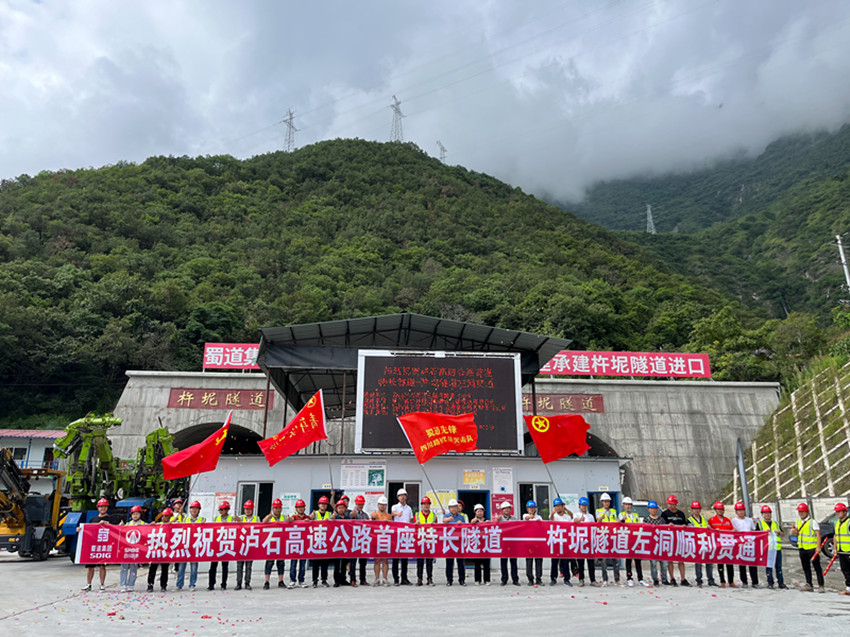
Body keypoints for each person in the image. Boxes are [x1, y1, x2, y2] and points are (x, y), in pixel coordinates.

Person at [79, 498, 118, 592]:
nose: (102, 508)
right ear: (98, 508)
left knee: (102, 566)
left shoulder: (111, 519)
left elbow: (116, 529)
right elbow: (88, 531)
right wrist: (80, 530)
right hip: (93, 546)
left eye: (104, 506)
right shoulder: (93, 519)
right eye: (101, 507)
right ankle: (88, 584)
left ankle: (102, 584)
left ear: (107, 507)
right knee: (90, 567)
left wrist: (107, 524)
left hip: (104, 546)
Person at [792, 502, 825, 593]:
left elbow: (818, 535)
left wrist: (818, 547)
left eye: (803, 511)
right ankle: (809, 584)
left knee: (817, 567)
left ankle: (821, 585)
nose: (801, 513)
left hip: (812, 548)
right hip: (802, 548)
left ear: (807, 512)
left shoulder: (812, 522)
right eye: (799, 512)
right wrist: (794, 532)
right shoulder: (798, 522)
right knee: (806, 567)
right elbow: (797, 533)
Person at [660, 495, 690, 586]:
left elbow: (686, 524)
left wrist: (684, 526)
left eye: (672, 504)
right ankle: (672, 578)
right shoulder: (664, 514)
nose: (670, 506)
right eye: (669, 504)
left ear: (676, 504)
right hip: (669, 539)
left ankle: (683, 578)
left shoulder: (681, 514)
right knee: (670, 559)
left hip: (680, 539)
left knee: (681, 559)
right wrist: (668, 525)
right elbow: (661, 526)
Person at [176, 500, 204, 591]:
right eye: (192, 508)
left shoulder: (202, 520)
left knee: (194, 567)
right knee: (181, 567)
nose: (194, 510)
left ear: (199, 510)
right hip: (185, 546)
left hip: (195, 547)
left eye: (196, 508)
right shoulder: (185, 519)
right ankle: (179, 585)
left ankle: (192, 584)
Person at [687, 501, 717, 587]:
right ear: (692, 510)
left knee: (709, 562)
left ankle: (710, 579)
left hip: (705, 542)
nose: (696, 510)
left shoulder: (704, 518)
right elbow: (691, 531)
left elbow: (708, 528)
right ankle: (699, 580)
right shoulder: (689, 520)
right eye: (695, 509)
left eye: (698, 508)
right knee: (698, 563)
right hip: (697, 543)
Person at [730, 501, 759, 588]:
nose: (741, 512)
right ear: (736, 512)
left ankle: (755, 582)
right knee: (742, 565)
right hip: (740, 545)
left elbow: (754, 530)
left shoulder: (749, 520)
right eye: (739, 510)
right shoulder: (733, 521)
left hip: (750, 544)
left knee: (752, 564)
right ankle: (744, 582)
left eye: (742, 510)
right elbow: (730, 531)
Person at [619, 497, 647, 587]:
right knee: (628, 560)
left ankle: (640, 579)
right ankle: (629, 578)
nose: (627, 506)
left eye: (629, 504)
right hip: (627, 540)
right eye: (626, 504)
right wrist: (622, 520)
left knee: (638, 560)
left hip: (636, 539)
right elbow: (618, 525)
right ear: (624, 505)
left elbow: (639, 525)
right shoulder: (621, 515)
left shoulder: (635, 515)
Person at [708, 502, 736, 589]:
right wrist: (713, 529)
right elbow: (708, 530)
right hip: (718, 545)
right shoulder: (712, 520)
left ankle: (731, 581)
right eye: (718, 509)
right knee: (720, 564)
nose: (720, 511)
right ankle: (722, 581)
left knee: (730, 564)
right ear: (715, 510)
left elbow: (732, 529)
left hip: (728, 545)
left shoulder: (727, 520)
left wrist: (733, 530)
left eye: (721, 509)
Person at [756, 504, 786, 590]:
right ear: (762, 514)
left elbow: (783, 534)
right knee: (769, 567)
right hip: (767, 549)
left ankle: (781, 583)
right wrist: (764, 532)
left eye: (768, 513)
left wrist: (779, 532)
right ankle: (770, 582)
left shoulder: (776, 523)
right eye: (765, 513)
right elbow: (756, 535)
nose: (767, 515)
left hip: (777, 548)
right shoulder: (759, 524)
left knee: (779, 567)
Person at [208, 501, 235, 590]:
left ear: (227, 510)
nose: (220, 511)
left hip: (226, 545)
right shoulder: (216, 518)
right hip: (216, 545)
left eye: (222, 509)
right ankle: (211, 584)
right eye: (219, 509)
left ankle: (223, 584)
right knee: (213, 566)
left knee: (225, 566)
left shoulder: (231, 519)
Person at [261, 498, 286, 590]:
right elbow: (263, 522)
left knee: (281, 563)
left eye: (279, 508)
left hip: (281, 543)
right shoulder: (269, 517)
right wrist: (269, 517)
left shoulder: (284, 517)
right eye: (275, 508)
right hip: (271, 543)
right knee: (269, 563)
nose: (277, 510)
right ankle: (267, 581)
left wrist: (290, 520)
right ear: (273, 508)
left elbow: (291, 522)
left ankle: (281, 581)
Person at [573, 497, 598, 587]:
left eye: (585, 505)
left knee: (591, 563)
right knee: (580, 563)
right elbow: (575, 521)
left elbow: (594, 527)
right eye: (582, 505)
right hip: (580, 542)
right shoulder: (576, 514)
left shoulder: (591, 516)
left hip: (589, 542)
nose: (584, 507)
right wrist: (581, 520)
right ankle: (581, 579)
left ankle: (593, 580)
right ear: (579, 506)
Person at [595, 493, 620, 586]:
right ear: (602, 502)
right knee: (604, 560)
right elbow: (597, 521)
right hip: (604, 537)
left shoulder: (613, 511)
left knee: (616, 559)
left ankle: (617, 579)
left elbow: (616, 521)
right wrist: (601, 518)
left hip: (613, 537)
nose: (607, 503)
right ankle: (605, 579)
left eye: (608, 501)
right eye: (605, 501)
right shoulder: (599, 511)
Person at [147, 507, 173, 592]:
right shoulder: (158, 525)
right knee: (152, 569)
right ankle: (150, 585)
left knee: (165, 569)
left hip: (166, 550)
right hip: (156, 550)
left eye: (167, 516)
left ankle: (163, 585)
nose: (164, 517)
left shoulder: (173, 526)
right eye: (164, 516)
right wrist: (151, 525)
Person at [391, 488, 414, 586]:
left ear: (406, 497)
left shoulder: (409, 508)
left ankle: (404, 578)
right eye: (400, 496)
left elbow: (411, 520)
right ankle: (396, 579)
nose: (402, 497)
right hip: (397, 535)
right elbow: (393, 513)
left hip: (406, 535)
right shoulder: (395, 507)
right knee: (395, 558)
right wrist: (398, 514)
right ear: (398, 497)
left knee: (405, 559)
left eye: (404, 495)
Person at [235, 500, 259, 591]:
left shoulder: (256, 518)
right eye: (246, 509)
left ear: (252, 510)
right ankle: (238, 583)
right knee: (239, 566)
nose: (248, 511)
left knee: (248, 566)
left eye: (249, 509)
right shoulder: (240, 518)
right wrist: (237, 520)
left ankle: (247, 583)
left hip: (250, 545)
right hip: (240, 545)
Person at [120, 505, 145, 592]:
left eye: (137, 514)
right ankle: (123, 585)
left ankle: (131, 584)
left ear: (140, 514)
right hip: (127, 549)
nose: (135, 516)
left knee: (133, 567)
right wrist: (121, 526)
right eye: (133, 514)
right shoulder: (127, 524)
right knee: (124, 567)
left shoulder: (144, 524)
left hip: (137, 550)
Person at [644, 500, 669, 587]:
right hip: (652, 545)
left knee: (664, 563)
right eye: (651, 508)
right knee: (653, 564)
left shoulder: (661, 520)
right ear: (648, 509)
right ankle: (655, 579)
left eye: (654, 508)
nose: (653, 510)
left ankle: (664, 579)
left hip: (661, 544)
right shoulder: (646, 519)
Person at [443, 499, 467, 586]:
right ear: (449, 508)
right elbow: (442, 524)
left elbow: (466, 528)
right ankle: (449, 580)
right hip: (449, 542)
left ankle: (462, 580)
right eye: (451, 507)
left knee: (460, 563)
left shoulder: (461, 517)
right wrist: (447, 520)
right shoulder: (446, 516)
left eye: (455, 507)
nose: (453, 509)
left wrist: (462, 524)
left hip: (459, 542)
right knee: (449, 563)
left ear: (458, 508)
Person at [549, 498, 572, 586]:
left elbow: (572, 518)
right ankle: (553, 578)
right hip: (556, 542)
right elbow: (551, 519)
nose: (558, 508)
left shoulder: (567, 517)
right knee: (554, 561)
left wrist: (567, 510)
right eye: (556, 506)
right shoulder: (554, 516)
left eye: (559, 506)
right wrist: (553, 512)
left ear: (563, 506)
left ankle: (567, 578)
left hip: (565, 542)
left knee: (565, 561)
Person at [371, 496, 393, 585]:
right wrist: (373, 518)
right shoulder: (374, 514)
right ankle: (377, 578)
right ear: (378, 505)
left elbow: (392, 527)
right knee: (377, 560)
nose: (382, 506)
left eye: (384, 505)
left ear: (386, 506)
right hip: (376, 540)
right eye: (381, 505)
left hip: (385, 540)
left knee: (385, 560)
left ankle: (384, 578)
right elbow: (370, 526)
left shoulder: (389, 516)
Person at [288, 499, 310, 588]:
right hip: (295, 543)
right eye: (299, 507)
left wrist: (309, 520)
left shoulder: (307, 518)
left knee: (302, 564)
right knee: (293, 563)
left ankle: (301, 580)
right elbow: (289, 521)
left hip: (304, 544)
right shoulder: (294, 517)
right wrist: (289, 520)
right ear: (296, 508)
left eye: (302, 507)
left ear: (304, 508)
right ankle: (292, 580)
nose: (300, 509)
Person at [415, 496, 437, 586]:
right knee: (419, 562)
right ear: (422, 505)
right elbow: (413, 527)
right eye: (424, 504)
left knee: (429, 561)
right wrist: (416, 524)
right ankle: (419, 578)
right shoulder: (417, 515)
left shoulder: (433, 515)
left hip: (429, 541)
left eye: (427, 504)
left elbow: (437, 527)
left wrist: (434, 525)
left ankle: (429, 578)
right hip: (420, 540)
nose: (426, 506)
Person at [497, 501, 520, 586]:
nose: (506, 510)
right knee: (503, 562)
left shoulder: (514, 519)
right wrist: (497, 521)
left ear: (510, 509)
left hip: (512, 543)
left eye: (508, 508)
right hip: (503, 543)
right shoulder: (499, 519)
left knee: (513, 562)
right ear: (502, 510)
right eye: (504, 509)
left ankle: (515, 579)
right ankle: (504, 579)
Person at [349, 495, 370, 586]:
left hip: (363, 541)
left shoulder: (365, 515)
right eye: (358, 504)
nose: (360, 506)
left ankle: (363, 579)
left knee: (363, 562)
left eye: (361, 504)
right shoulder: (351, 513)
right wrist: (352, 517)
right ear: (356, 504)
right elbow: (348, 524)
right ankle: (352, 579)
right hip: (354, 541)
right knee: (353, 562)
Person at [311, 495, 332, 587]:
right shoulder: (314, 514)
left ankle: (324, 580)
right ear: (318, 505)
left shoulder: (330, 514)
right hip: (316, 541)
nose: (323, 505)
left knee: (325, 563)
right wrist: (311, 518)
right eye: (321, 504)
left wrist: (332, 520)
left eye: (325, 504)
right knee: (315, 563)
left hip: (326, 541)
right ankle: (315, 580)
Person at [331, 498, 351, 587]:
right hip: (337, 543)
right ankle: (336, 580)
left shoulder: (348, 518)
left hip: (345, 543)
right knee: (337, 563)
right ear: (337, 509)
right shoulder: (335, 518)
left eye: (343, 508)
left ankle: (343, 579)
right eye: (339, 508)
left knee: (344, 563)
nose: (341, 509)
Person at [523, 499, 544, 586]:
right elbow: (527, 518)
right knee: (529, 561)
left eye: (533, 507)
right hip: (529, 542)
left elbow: (543, 527)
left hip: (538, 542)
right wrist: (531, 517)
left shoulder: (539, 517)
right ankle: (530, 579)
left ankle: (539, 578)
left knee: (539, 561)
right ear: (527, 509)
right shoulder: (525, 515)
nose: (531, 509)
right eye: (530, 507)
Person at [470, 503, 491, 585]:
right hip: (477, 544)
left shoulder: (487, 520)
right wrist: (475, 519)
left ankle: (487, 579)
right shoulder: (474, 521)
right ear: (475, 512)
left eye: (481, 511)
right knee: (477, 563)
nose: (479, 513)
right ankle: (477, 580)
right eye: (478, 511)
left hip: (485, 544)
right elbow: (471, 523)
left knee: (486, 563)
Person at [834, 502, 850, 596]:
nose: (837, 513)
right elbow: (836, 536)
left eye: (839, 511)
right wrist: (835, 549)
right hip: (842, 551)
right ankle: (848, 588)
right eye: (836, 512)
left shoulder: (849, 522)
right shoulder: (837, 523)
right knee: (845, 570)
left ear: (845, 512)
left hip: (849, 551)